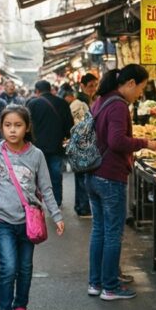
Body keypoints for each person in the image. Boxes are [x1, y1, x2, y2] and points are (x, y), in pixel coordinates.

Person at [0, 105, 64, 310]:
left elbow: (46, 188)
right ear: (1, 127)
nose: (13, 130)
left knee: (25, 269)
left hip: (29, 222)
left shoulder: (36, 155)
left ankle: (20, 308)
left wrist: (56, 215)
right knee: (9, 268)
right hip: (2, 221)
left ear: (27, 128)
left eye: (18, 125)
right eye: (8, 125)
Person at [87, 65, 156, 301]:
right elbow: (117, 141)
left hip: (93, 173)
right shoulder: (118, 104)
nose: (140, 93)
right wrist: (144, 143)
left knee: (99, 230)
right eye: (141, 87)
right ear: (130, 83)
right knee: (112, 233)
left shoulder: (101, 100)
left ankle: (96, 283)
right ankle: (110, 287)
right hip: (110, 176)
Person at [26, 80, 73, 208]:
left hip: (36, 147)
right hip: (56, 145)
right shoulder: (62, 103)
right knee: (55, 174)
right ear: (51, 89)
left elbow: (26, 125)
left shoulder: (32, 104)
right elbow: (69, 125)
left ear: (37, 91)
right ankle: (56, 201)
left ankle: (35, 200)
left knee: (35, 175)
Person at [69, 75, 97, 217]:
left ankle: (81, 207)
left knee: (82, 177)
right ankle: (83, 208)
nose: (93, 89)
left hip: (86, 145)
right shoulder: (78, 104)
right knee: (82, 178)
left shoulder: (90, 101)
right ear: (82, 86)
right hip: (81, 146)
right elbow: (79, 127)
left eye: (95, 85)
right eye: (90, 85)